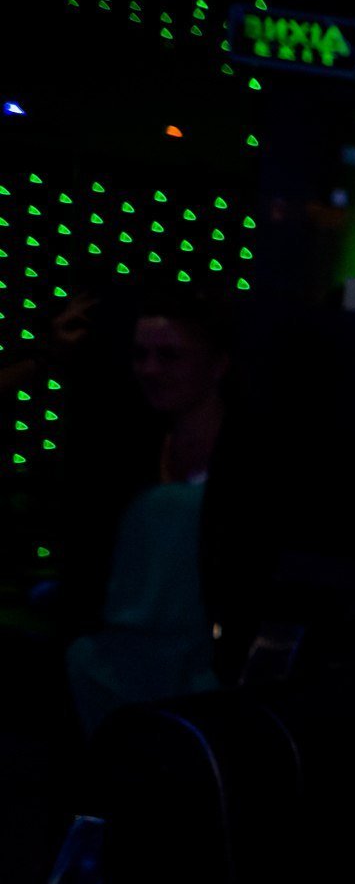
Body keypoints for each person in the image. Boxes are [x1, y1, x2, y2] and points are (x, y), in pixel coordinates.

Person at [59, 289, 233, 729]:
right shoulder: (125, 455)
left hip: (207, 683)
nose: (150, 370)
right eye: (141, 355)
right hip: (116, 678)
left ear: (217, 364)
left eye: (170, 356)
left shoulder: (249, 463)